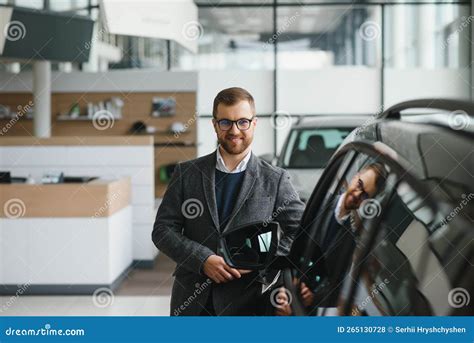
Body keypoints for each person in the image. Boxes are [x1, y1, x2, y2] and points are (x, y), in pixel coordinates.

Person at [152, 87, 305, 316]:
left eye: (242, 122)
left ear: (254, 124)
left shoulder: (275, 179)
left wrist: (261, 260)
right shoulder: (187, 173)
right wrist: (202, 259)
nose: (234, 130)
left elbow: (302, 233)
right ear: (215, 125)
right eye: (226, 122)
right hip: (192, 301)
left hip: (248, 301)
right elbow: (163, 230)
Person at [275, 163, 388, 316]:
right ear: (355, 176)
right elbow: (287, 244)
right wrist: (285, 282)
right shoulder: (317, 203)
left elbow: (336, 285)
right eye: (359, 184)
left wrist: (314, 297)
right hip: (281, 293)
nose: (357, 195)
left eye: (365, 195)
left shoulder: (353, 238)